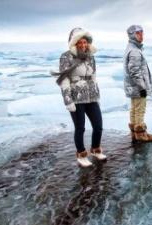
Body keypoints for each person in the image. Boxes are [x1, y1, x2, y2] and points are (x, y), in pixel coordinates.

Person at [52, 27, 107, 167]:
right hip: (76, 98)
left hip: (91, 96)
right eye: (79, 42)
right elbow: (64, 80)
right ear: (74, 43)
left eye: (85, 42)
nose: (83, 45)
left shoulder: (91, 57)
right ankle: (81, 154)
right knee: (80, 128)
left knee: (98, 126)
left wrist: (97, 96)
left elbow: (93, 77)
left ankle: (95, 149)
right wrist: (68, 100)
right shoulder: (66, 57)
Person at [123, 25, 152, 143]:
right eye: (138, 33)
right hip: (137, 86)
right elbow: (135, 72)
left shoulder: (132, 48)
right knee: (140, 109)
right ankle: (141, 134)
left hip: (133, 86)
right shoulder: (134, 51)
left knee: (134, 108)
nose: (141, 35)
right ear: (132, 35)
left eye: (142, 32)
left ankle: (134, 131)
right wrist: (142, 87)